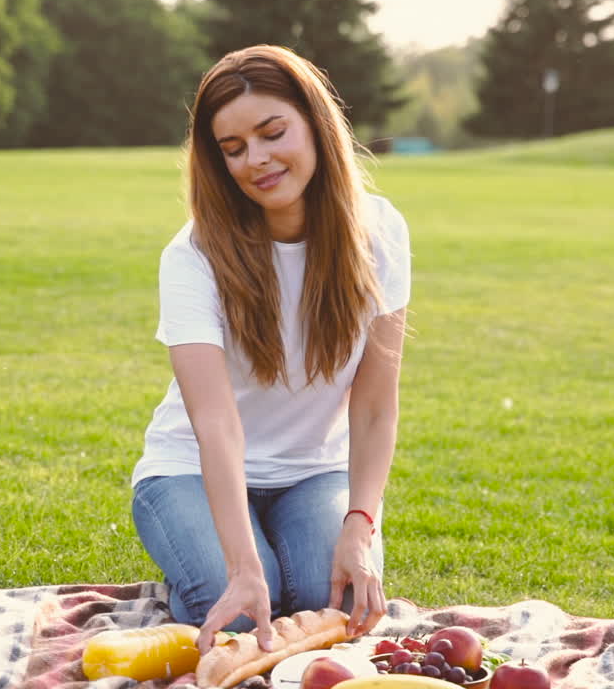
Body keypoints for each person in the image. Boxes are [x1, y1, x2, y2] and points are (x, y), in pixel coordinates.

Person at [130, 44, 411, 655]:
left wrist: (360, 528)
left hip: (316, 472)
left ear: (315, 121)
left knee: (327, 609)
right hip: (187, 472)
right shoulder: (193, 256)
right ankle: (215, 573)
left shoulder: (382, 232)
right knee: (237, 621)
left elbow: (374, 407)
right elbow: (214, 420)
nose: (256, 159)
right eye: (233, 150)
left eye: (271, 132)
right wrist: (240, 567)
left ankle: (254, 565)